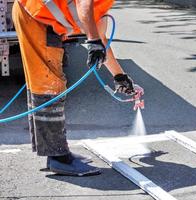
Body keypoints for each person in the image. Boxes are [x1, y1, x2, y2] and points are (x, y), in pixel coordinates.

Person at [12, 0, 139, 176]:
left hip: (44, 20)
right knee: (49, 84)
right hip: (34, 16)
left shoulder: (104, 5)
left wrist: (119, 76)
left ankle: (58, 153)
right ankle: (58, 158)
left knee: (48, 82)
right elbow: (83, 3)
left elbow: (101, 40)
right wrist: (93, 40)